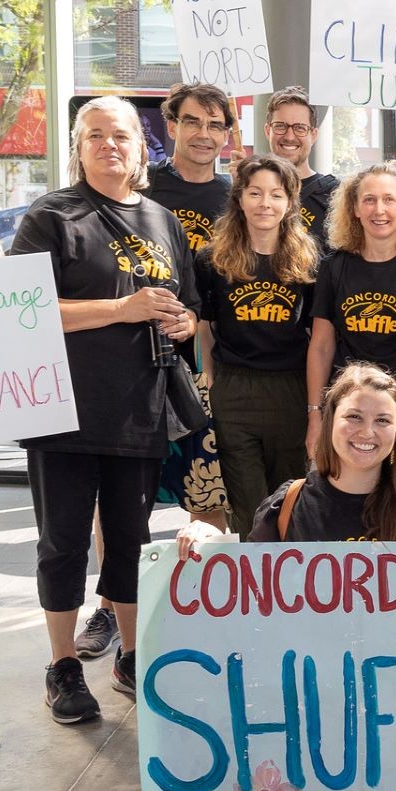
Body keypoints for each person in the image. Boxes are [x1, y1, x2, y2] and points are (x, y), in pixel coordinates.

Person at [176, 363, 396, 791]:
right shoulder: (288, 507)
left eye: (383, 420)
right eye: (353, 416)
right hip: (318, 719)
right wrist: (208, 543)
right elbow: (245, 605)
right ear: (328, 420)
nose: (367, 432)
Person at [11, 95, 199, 718]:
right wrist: (122, 309)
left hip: (138, 407)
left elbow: (188, 303)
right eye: (94, 135)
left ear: (141, 148)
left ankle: (131, 654)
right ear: (78, 147)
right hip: (61, 410)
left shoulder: (161, 220)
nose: (108, 145)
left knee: (130, 539)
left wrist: (181, 321)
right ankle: (63, 665)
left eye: (120, 135)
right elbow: (23, 309)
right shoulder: (52, 216)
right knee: (62, 543)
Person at [75, 83, 236, 662]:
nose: (201, 133)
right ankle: (110, 607)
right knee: (121, 506)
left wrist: (206, 354)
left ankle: (200, 601)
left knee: (205, 493)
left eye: (214, 124)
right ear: (169, 127)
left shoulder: (236, 196)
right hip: (126, 373)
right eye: (190, 121)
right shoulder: (142, 191)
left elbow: (210, 298)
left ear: (226, 134)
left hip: (198, 367)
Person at [194, 154, 318, 538]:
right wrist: (211, 383)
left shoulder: (310, 260)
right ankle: (253, 594)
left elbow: (318, 335)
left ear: (290, 203)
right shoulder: (212, 259)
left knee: (290, 503)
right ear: (239, 199)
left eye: (276, 194)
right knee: (248, 508)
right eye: (255, 193)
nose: (265, 203)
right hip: (235, 390)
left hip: (290, 390)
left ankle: (290, 591)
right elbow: (204, 326)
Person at [308, 161, 396, 477]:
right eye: (369, 199)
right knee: (347, 507)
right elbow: (321, 347)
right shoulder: (335, 266)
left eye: (389, 199)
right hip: (349, 411)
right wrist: (315, 415)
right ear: (354, 208)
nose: (379, 209)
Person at [264, 85, 340, 248]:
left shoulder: (335, 195)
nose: (289, 136)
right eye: (280, 126)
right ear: (267, 130)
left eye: (300, 128)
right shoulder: (251, 189)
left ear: (313, 135)